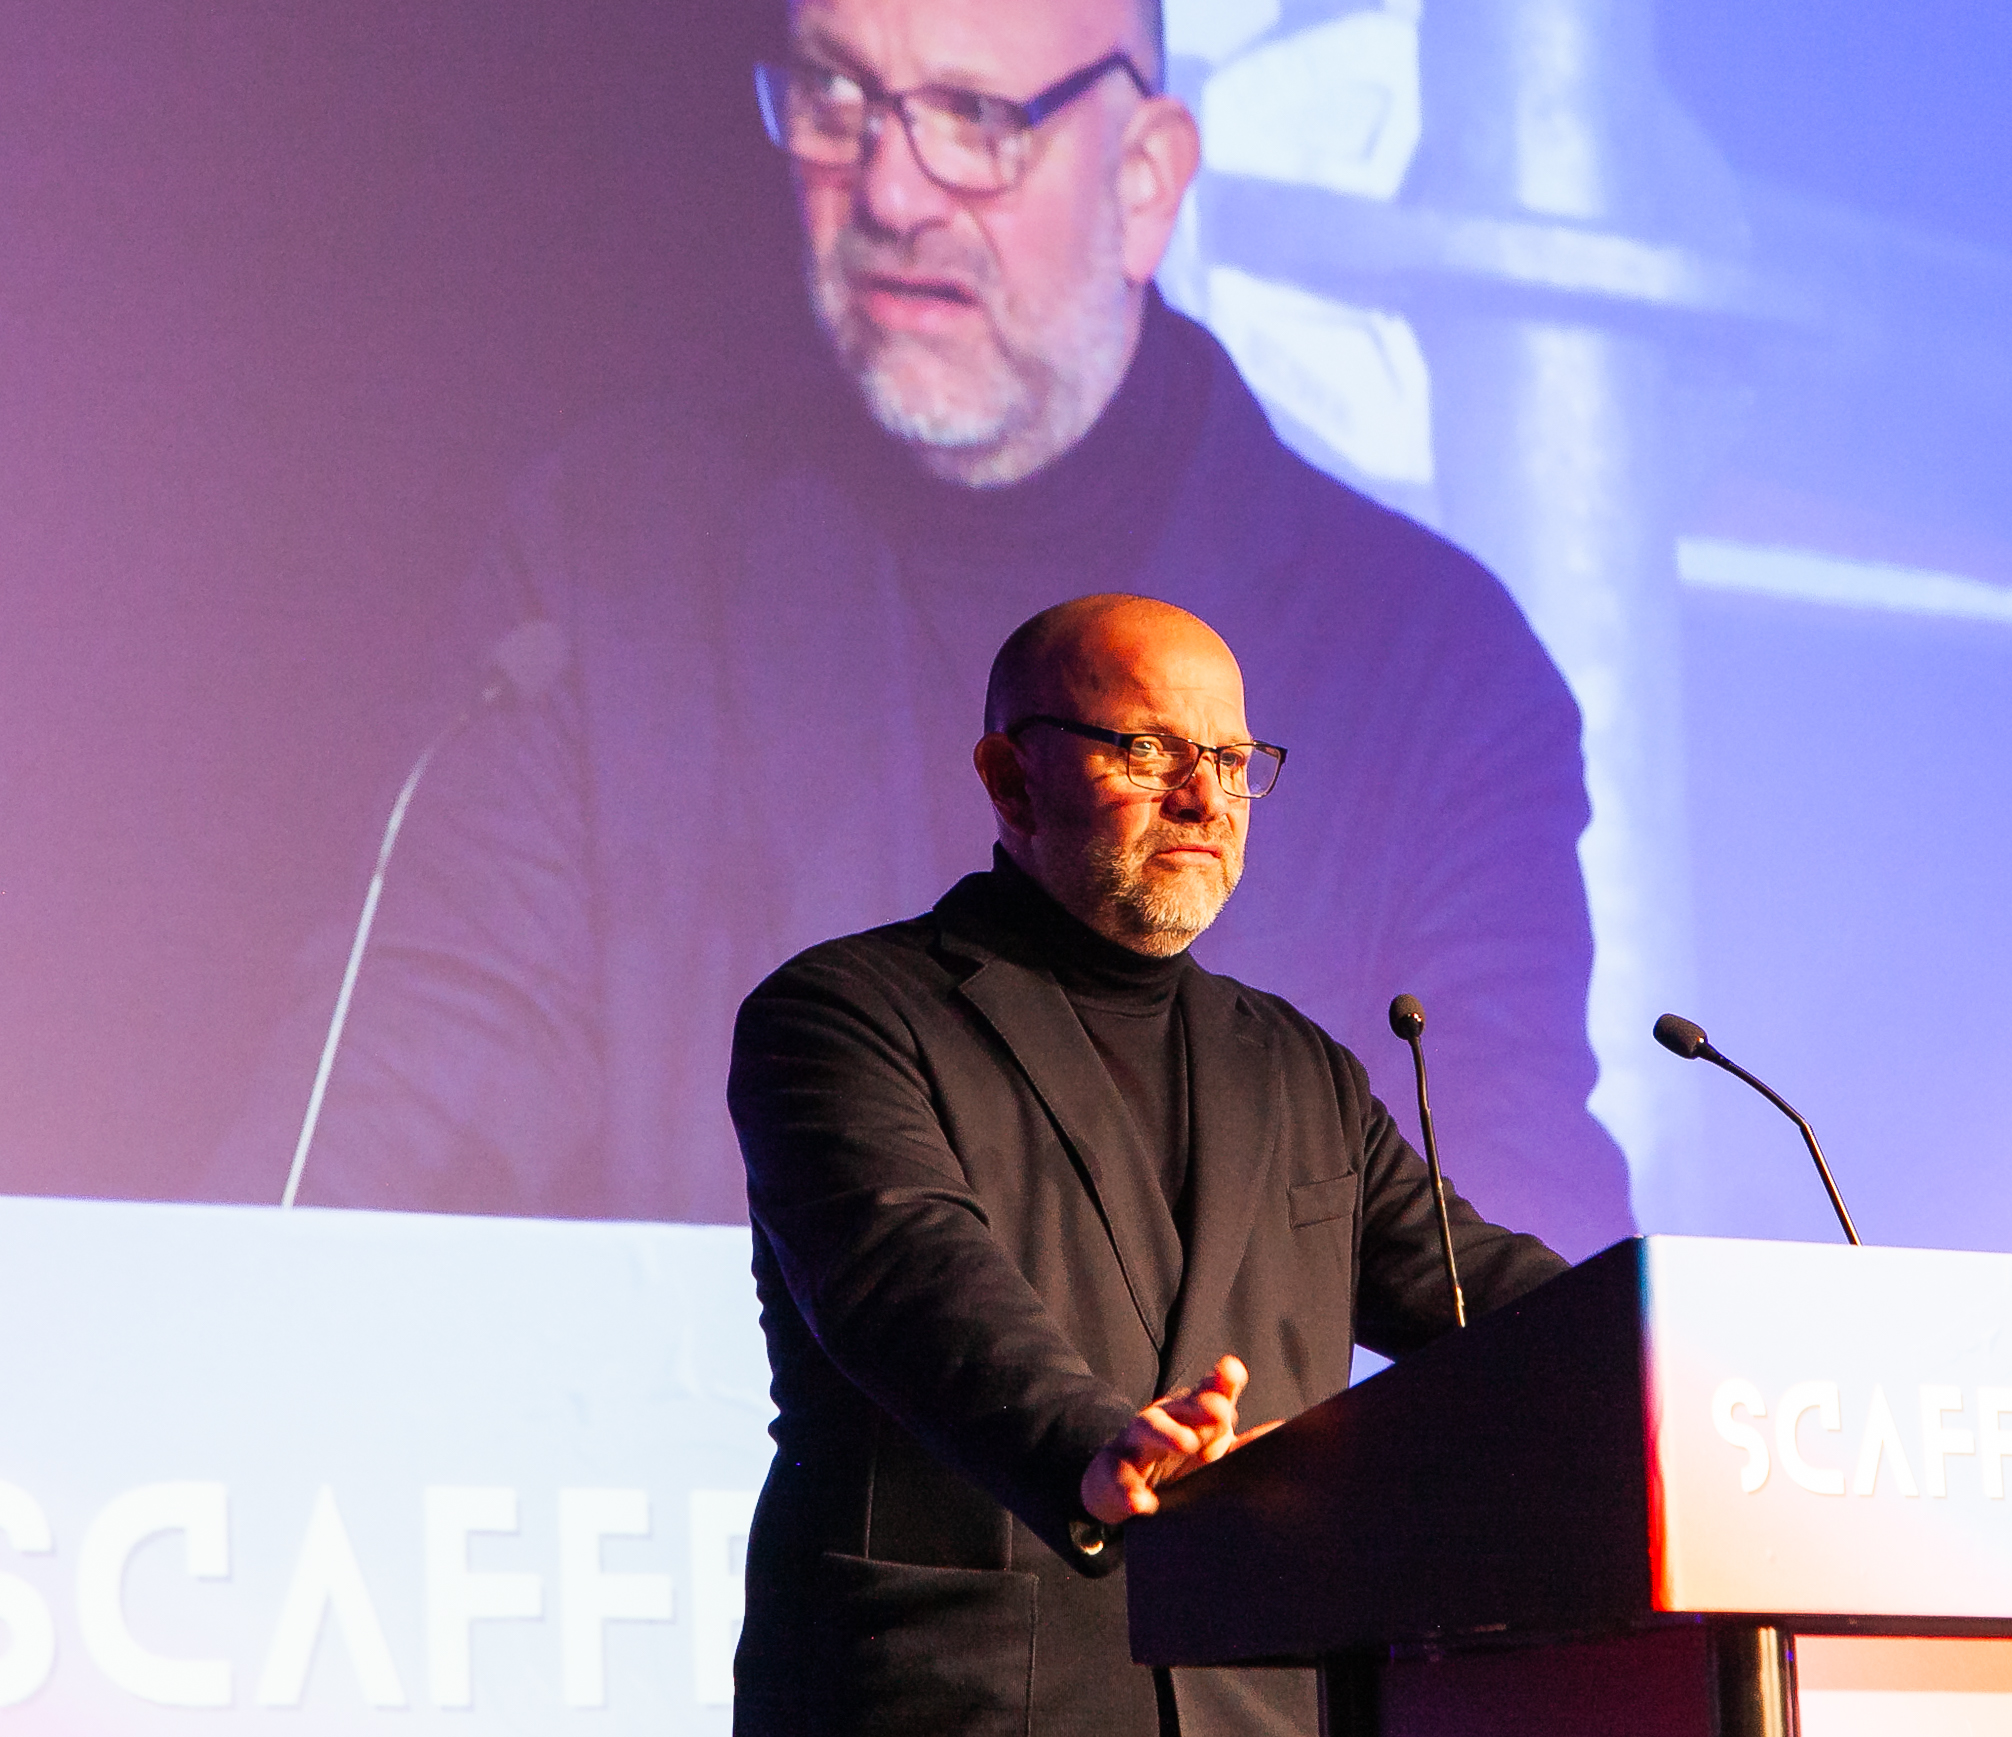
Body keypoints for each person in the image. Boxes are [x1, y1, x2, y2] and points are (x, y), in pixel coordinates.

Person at [207, 0, 1633, 1262]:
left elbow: (1510, 1274)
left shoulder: (1430, 669)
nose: (889, 190)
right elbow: (380, 1138)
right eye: (836, 95)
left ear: (1144, 182)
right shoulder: (614, 565)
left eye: (974, 118)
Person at [730, 594, 1568, 1736]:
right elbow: (909, 1283)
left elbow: (1480, 1294)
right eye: (1148, 750)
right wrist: (1091, 1446)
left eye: (1231, 760)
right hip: (965, 1695)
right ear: (1011, 780)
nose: (1205, 797)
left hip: (1258, 1698)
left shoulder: (1294, 1067)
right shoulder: (849, 1014)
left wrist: (1702, 1338)